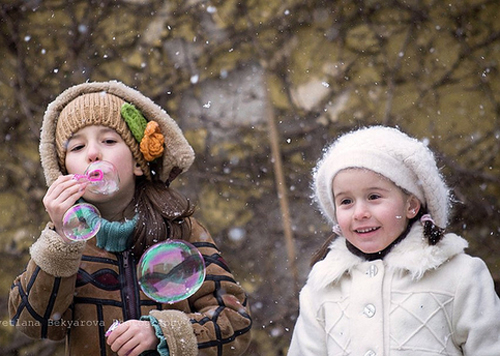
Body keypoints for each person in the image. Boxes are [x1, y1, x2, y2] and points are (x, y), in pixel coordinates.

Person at [9, 81, 252, 356]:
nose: (92, 153)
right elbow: (34, 323)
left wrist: (163, 333)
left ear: (138, 162)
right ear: (64, 172)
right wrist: (62, 240)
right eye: (76, 147)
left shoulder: (182, 231)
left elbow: (236, 321)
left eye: (109, 141)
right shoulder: (64, 246)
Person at [288, 125, 500, 355]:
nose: (359, 213)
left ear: (411, 205)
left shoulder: (460, 276)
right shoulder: (322, 288)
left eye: (374, 196)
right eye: (346, 201)